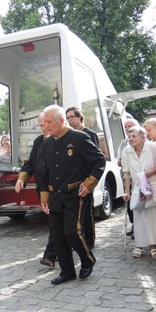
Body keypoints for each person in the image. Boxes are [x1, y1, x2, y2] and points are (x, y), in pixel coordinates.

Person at [39, 105, 106, 285]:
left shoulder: (79, 138)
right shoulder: (48, 143)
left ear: (61, 121)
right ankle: (67, 271)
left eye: (49, 122)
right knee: (58, 235)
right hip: (55, 197)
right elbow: (44, 172)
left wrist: (89, 183)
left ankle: (87, 260)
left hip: (75, 194)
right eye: (44, 123)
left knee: (71, 232)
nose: (46, 126)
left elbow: (99, 161)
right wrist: (44, 196)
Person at [15, 113, 56, 267]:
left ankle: (50, 255)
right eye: (41, 125)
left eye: (45, 124)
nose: (43, 128)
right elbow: (31, 163)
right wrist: (22, 178)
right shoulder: (38, 141)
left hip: (57, 190)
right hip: (42, 190)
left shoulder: (61, 140)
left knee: (55, 223)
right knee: (52, 222)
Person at [121, 126, 156, 259]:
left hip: (153, 186)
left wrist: (148, 173)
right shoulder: (126, 151)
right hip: (137, 188)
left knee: (153, 216)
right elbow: (126, 173)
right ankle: (139, 245)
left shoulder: (153, 147)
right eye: (129, 136)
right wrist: (127, 192)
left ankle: (154, 246)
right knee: (139, 216)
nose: (130, 139)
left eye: (134, 136)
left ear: (143, 137)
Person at [65, 106, 98, 248]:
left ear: (80, 117)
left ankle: (89, 241)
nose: (69, 120)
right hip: (72, 181)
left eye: (72, 117)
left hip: (86, 180)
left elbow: (96, 159)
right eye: (67, 118)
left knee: (87, 213)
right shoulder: (69, 136)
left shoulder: (89, 134)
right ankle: (77, 239)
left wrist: (90, 181)